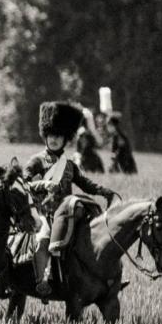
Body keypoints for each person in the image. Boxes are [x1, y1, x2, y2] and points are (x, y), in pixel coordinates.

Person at [25, 101, 119, 297]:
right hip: (44, 213)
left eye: (58, 135)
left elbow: (86, 184)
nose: (54, 139)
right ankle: (42, 280)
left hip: (67, 212)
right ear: (45, 135)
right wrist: (42, 185)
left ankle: (104, 278)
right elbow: (24, 183)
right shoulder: (36, 161)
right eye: (51, 135)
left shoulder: (69, 165)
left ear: (66, 138)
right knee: (43, 241)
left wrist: (104, 192)